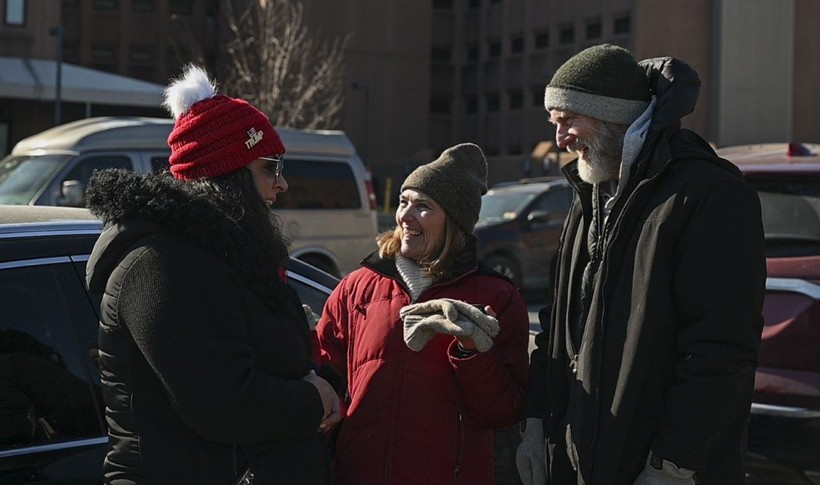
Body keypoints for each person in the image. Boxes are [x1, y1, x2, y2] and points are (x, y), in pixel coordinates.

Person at [515, 44, 766, 485]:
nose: (560, 140)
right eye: (554, 123)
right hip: (579, 461)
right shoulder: (590, 194)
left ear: (613, 116)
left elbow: (720, 349)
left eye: (568, 119)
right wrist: (536, 423)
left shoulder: (707, 194)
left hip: (658, 468)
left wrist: (671, 465)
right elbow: (557, 326)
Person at [84, 64, 340, 485]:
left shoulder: (228, 257)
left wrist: (320, 381)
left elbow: (276, 359)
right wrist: (315, 398)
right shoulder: (161, 265)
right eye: (270, 167)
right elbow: (223, 403)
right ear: (228, 178)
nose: (283, 184)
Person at [316, 143, 531, 484]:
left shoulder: (496, 296)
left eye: (424, 206)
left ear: (455, 221)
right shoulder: (358, 286)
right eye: (404, 202)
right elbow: (324, 375)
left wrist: (471, 351)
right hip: (359, 473)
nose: (405, 216)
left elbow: (504, 411)